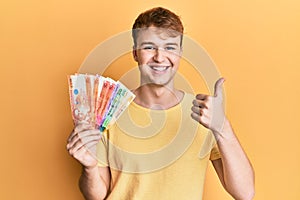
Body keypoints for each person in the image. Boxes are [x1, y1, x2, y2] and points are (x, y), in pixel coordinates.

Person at [67, 7, 255, 200]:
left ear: (180, 53)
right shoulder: (109, 111)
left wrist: (222, 127)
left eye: (170, 47)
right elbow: (97, 196)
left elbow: (245, 193)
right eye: (149, 47)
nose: (159, 57)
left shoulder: (205, 113)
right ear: (135, 53)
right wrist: (89, 167)